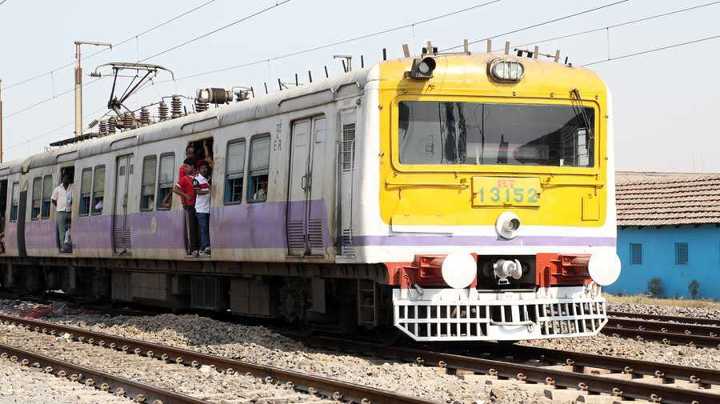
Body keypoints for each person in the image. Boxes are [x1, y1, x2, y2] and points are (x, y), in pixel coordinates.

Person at [173, 162, 199, 257]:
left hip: (199, 206)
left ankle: (197, 248)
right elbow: (175, 189)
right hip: (190, 206)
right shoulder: (184, 179)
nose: (184, 169)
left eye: (186, 166)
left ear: (192, 166)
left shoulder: (197, 178)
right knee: (191, 227)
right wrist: (185, 195)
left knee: (197, 227)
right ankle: (192, 249)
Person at [51, 174, 73, 253]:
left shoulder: (72, 188)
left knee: (70, 229)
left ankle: (69, 245)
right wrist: (58, 206)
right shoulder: (57, 189)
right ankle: (64, 247)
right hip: (60, 211)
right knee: (62, 231)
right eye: (65, 178)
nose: (66, 179)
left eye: (68, 178)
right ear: (62, 179)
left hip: (70, 211)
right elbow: (53, 199)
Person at [194, 161, 211, 256]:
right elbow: (197, 192)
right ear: (199, 170)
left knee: (205, 228)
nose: (204, 169)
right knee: (203, 228)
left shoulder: (206, 180)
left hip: (207, 208)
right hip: (200, 209)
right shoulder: (196, 180)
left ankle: (202, 248)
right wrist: (209, 191)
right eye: (202, 168)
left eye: (205, 168)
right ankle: (205, 247)